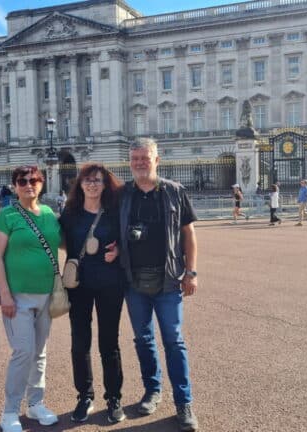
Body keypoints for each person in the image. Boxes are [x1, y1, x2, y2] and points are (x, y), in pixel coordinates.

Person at [118, 138, 199, 432]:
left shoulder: (175, 191)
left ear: (157, 159)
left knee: (174, 341)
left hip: (168, 278)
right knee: (143, 340)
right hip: (133, 280)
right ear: (130, 162)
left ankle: (183, 401)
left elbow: (189, 234)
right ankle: (153, 390)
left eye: (145, 157)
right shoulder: (123, 194)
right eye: (135, 158)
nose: (140, 162)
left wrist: (191, 272)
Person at [0, 165, 60, 432]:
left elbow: (63, 242)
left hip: (46, 294)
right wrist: (4, 293)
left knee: (39, 353)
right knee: (23, 352)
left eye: (33, 180)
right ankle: (10, 410)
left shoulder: (49, 214)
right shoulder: (7, 215)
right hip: (17, 296)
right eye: (22, 181)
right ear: (15, 185)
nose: (28, 184)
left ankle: (35, 403)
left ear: (42, 183)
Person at [59, 163, 127, 424]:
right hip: (79, 285)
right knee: (80, 342)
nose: (92, 184)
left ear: (105, 183)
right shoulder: (71, 213)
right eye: (87, 180)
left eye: (97, 180)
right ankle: (84, 395)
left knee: (109, 343)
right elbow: (58, 240)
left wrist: (119, 249)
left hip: (110, 282)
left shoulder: (114, 211)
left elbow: (127, 238)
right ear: (80, 184)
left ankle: (113, 396)